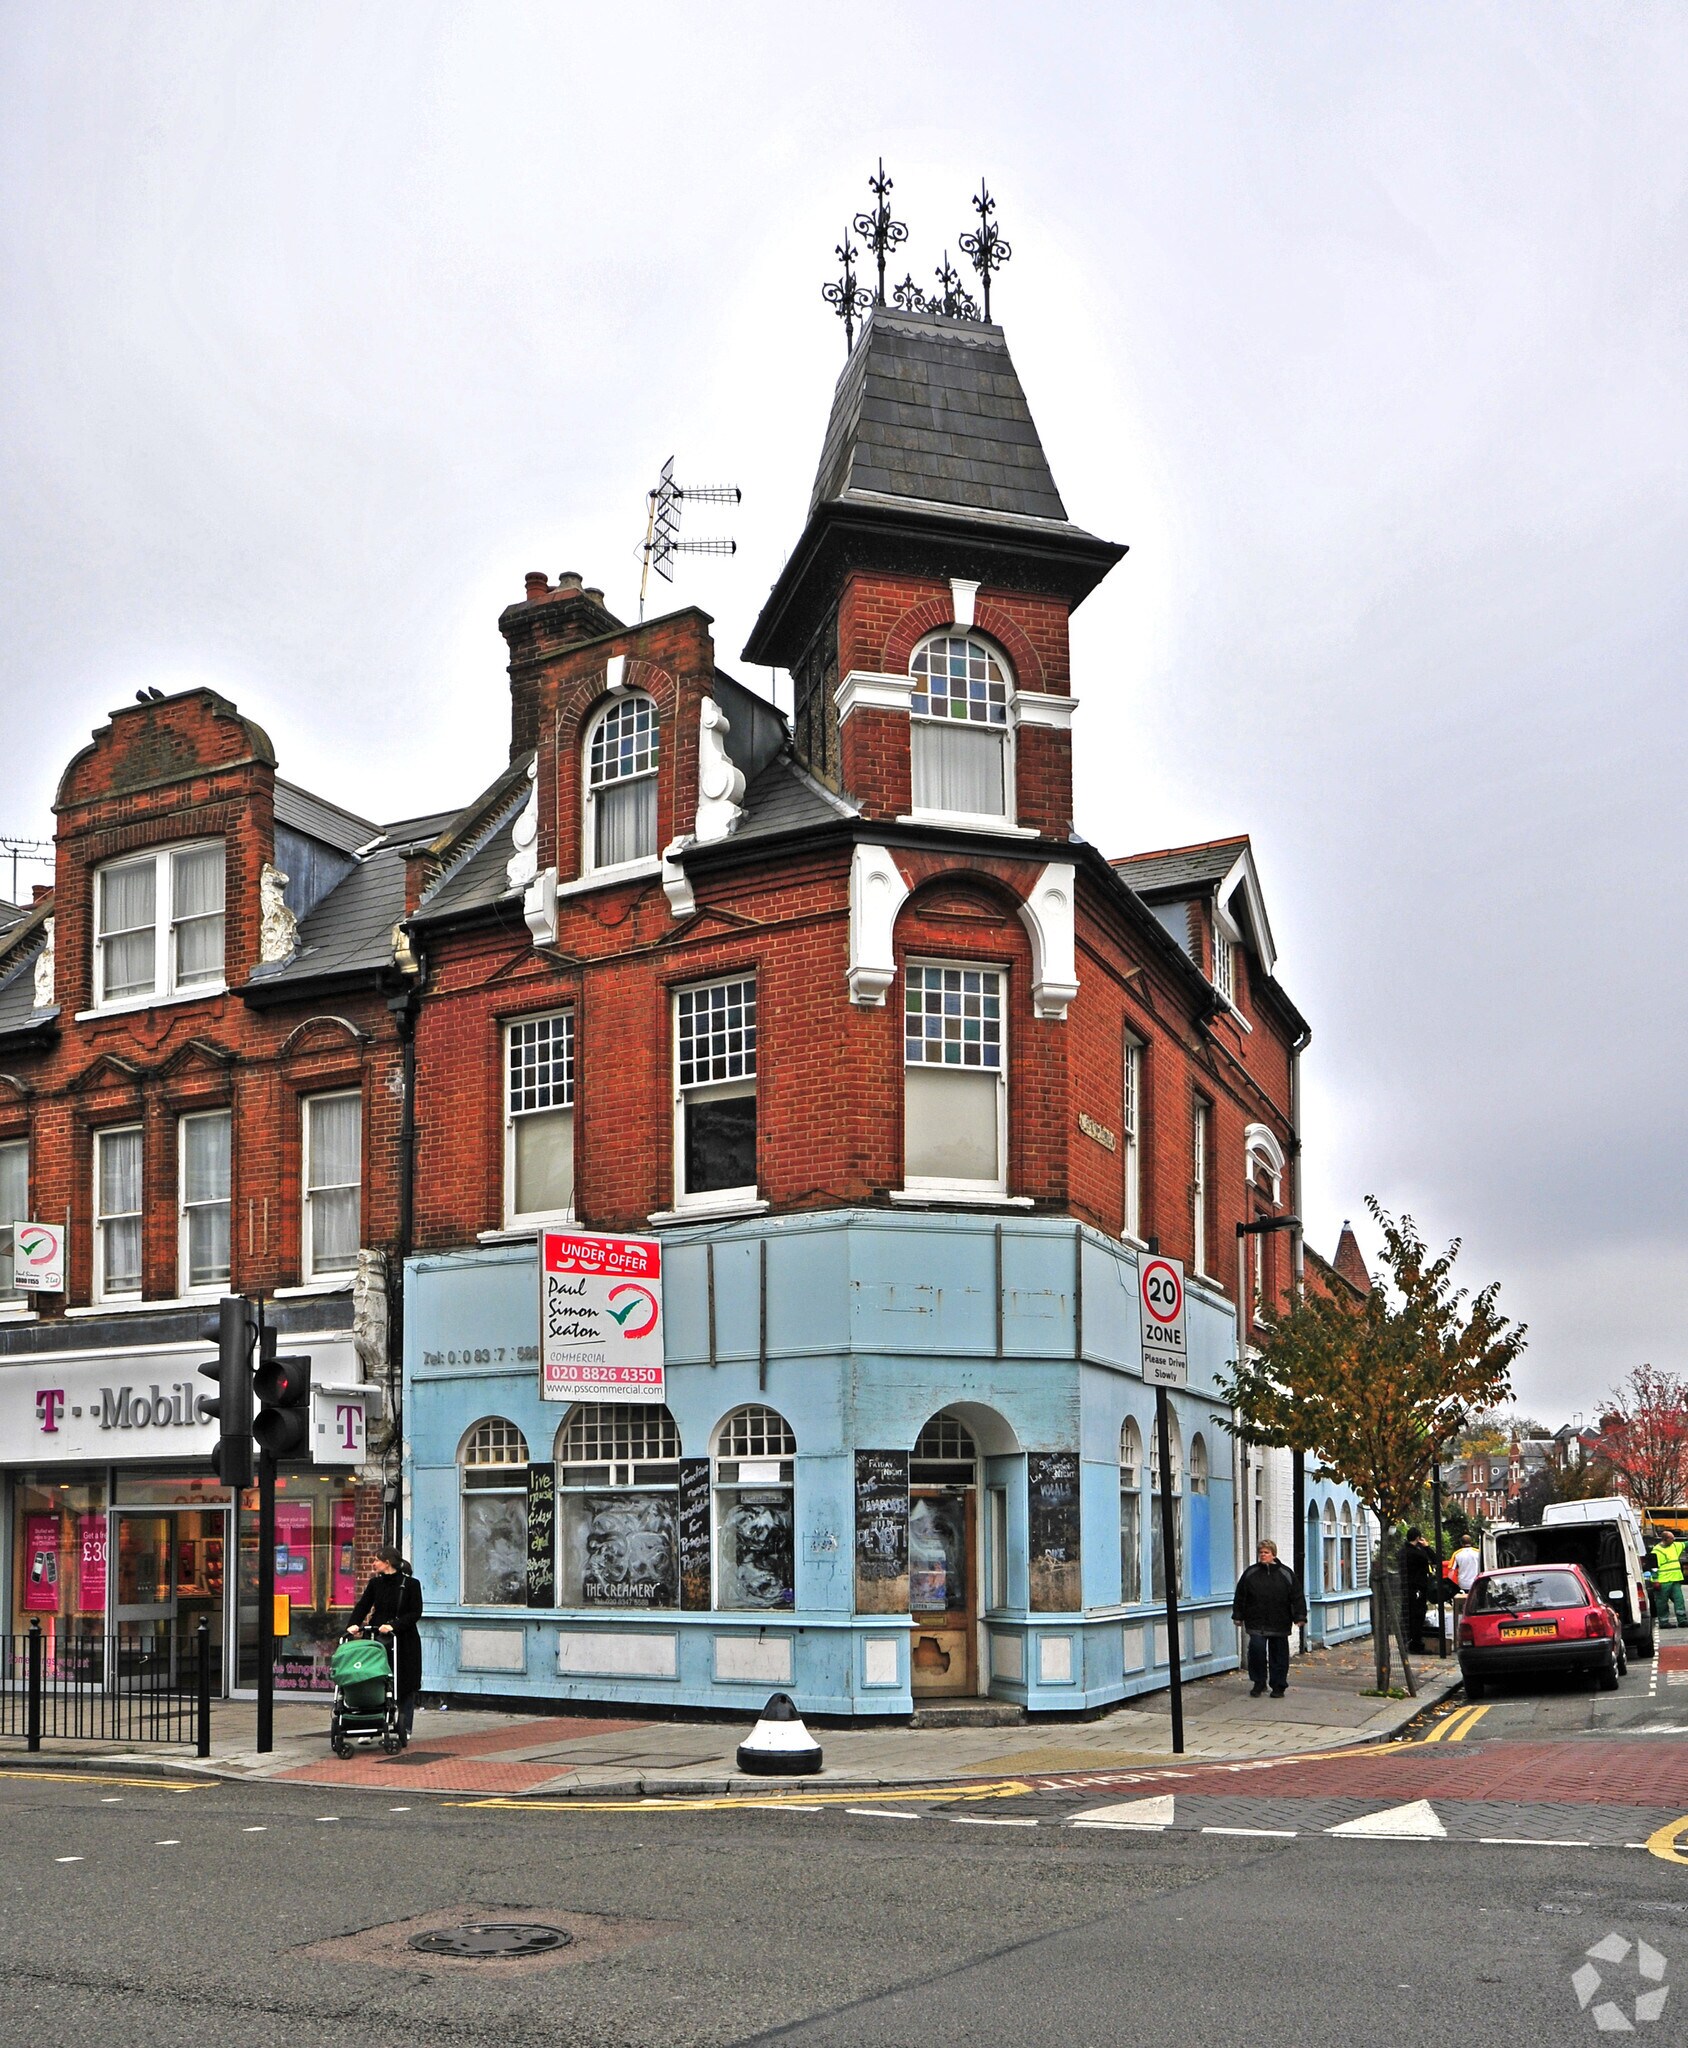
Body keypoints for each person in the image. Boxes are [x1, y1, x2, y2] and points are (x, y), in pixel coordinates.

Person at [347, 1545, 423, 1740]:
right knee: (373, 1678)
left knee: (405, 1682)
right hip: (377, 1639)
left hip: (404, 1640)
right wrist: (353, 1625)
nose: (373, 1563)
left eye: (377, 1560)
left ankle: (404, 1726)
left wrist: (394, 1626)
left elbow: (415, 1612)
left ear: (387, 1562)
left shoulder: (411, 1584)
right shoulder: (375, 1584)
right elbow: (363, 1605)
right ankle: (370, 1726)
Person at [1231, 1538, 1308, 1698]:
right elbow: (1240, 1595)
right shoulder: (1251, 1573)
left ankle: (1278, 1685)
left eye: (1266, 1552)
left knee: (1279, 1655)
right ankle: (1259, 1682)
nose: (1262, 1555)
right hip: (1256, 1621)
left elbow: (1297, 1596)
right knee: (1256, 1651)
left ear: (1273, 1554)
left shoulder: (1286, 1574)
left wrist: (1300, 1616)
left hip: (1279, 1621)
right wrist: (1238, 1615)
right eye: (1260, 1552)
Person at [1400, 1527, 1438, 1653]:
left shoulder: (1402, 1551)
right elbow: (1435, 1560)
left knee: (1408, 1615)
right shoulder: (1418, 1553)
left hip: (1406, 1587)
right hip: (1418, 1587)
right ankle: (1416, 1644)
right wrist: (1426, 1547)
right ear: (1418, 1538)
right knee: (1418, 1615)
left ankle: (1407, 1641)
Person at [1651, 1530, 1687, 1629]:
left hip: (1675, 1579)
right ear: (1665, 1539)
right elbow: (1654, 1567)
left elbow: (1685, 1544)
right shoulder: (1656, 1551)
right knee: (1662, 1602)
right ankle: (1663, 1622)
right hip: (1663, 1581)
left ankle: (1682, 1620)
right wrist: (1655, 1580)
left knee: (1679, 1600)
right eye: (1671, 1538)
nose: (1674, 1539)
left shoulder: (1675, 1546)